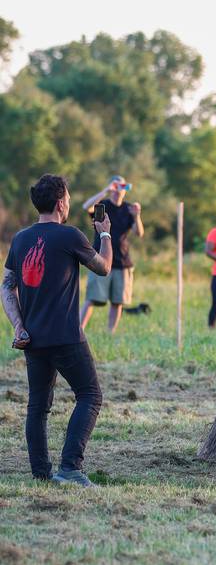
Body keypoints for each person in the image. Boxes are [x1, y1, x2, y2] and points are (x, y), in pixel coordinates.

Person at [0, 174, 113, 487]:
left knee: (37, 406)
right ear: (62, 201)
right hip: (65, 336)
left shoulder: (20, 239)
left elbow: (6, 286)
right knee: (90, 395)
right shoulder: (70, 236)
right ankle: (70, 468)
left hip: (32, 338)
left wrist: (19, 326)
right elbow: (103, 268)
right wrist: (105, 236)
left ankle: (41, 473)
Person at [80, 175, 144, 334]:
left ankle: (110, 333)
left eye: (121, 187)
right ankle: (79, 331)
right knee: (92, 299)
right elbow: (86, 207)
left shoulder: (129, 209)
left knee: (118, 301)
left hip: (122, 261)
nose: (117, 191)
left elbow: (139, 233)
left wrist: (137, 216)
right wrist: (105, 191)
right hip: (100, 259)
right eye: (115, 187)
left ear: (125, 190)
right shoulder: (102, 206)